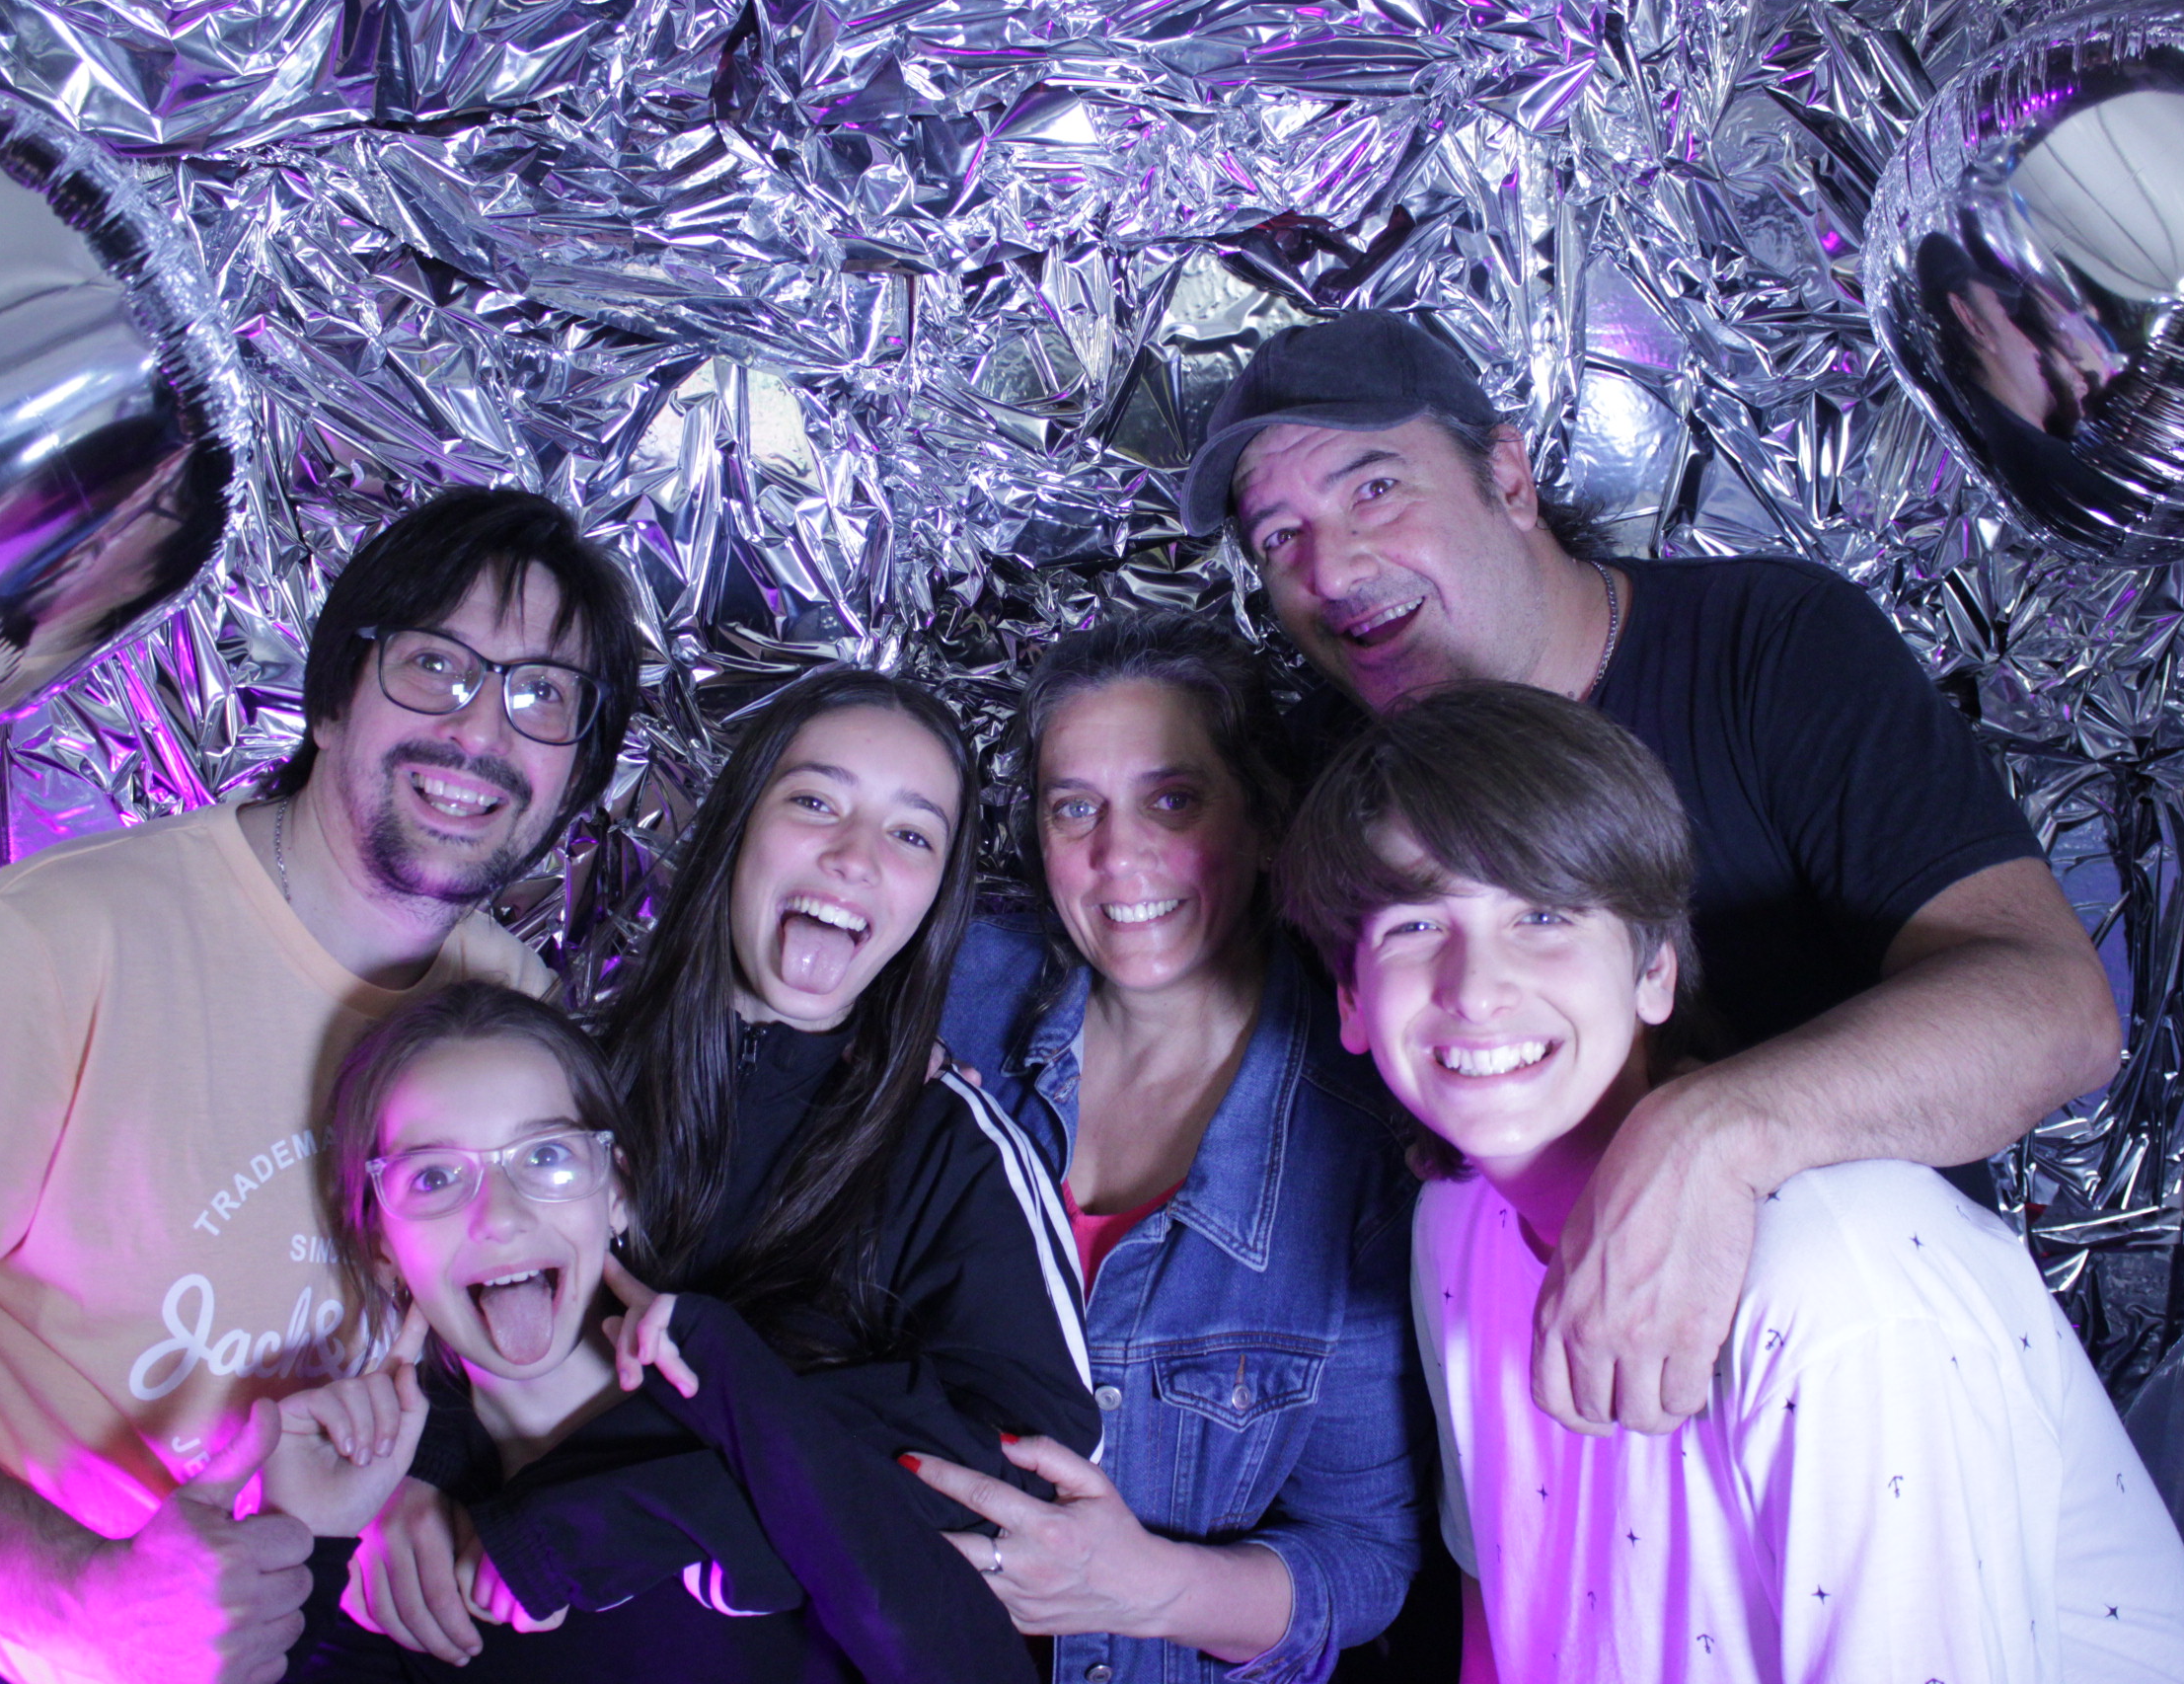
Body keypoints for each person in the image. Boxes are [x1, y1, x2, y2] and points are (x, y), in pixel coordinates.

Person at [1179, 309, 2123, 1437]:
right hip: (1546, 1404)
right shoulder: (1333, 775)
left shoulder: (1768, 646)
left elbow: (2057, 1013)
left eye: (1375, 489)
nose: (1332, 568)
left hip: (1875, 1384)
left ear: (1508, 476)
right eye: (1279, 537)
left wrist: (1711, 1137)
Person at [0, 486, 640, 1684]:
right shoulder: (49, 948)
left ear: (575, 772)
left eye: (542, 695)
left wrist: (399, 1491)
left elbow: (459, 1330)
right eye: (435, 665)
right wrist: (79, 1598)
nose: (480, 729)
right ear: (332, 698)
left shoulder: (505, 997)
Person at [1278, 681, 2184, 1683]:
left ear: (1655, 972)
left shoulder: (1844, 1279)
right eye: (1413, 927)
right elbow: (1501, 1622)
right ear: (1351, 1002)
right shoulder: (1454, 1226)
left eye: (1544, 914)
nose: (1475, 989)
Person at [342, 666, 1101, 1663]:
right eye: (815, 802)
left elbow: (1026, 1461)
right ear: (740, 822)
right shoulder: (576, 1079)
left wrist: (634, 1513)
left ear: (935, 901)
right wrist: (413, 1475)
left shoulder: (952, 1149)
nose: (854, 857)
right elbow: (452, 1281)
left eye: (912, 835)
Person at [904, 614, 1426, 1684]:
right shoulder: (951, 995)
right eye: (1074, 808)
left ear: (1267, 821)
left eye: (1173, 800)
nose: (1117, 855)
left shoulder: (1365, 1133)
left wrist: (1146, 1589)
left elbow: (1367, 1560)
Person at [262, 979, 1039, 1683]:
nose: (498, 1217)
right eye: (434, 1176)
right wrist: (312, 1540)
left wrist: (729, 1384)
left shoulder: (780, 1395)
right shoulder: (405, 1556)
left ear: (617, 1193)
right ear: (381, 1245)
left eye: (547, 1155)